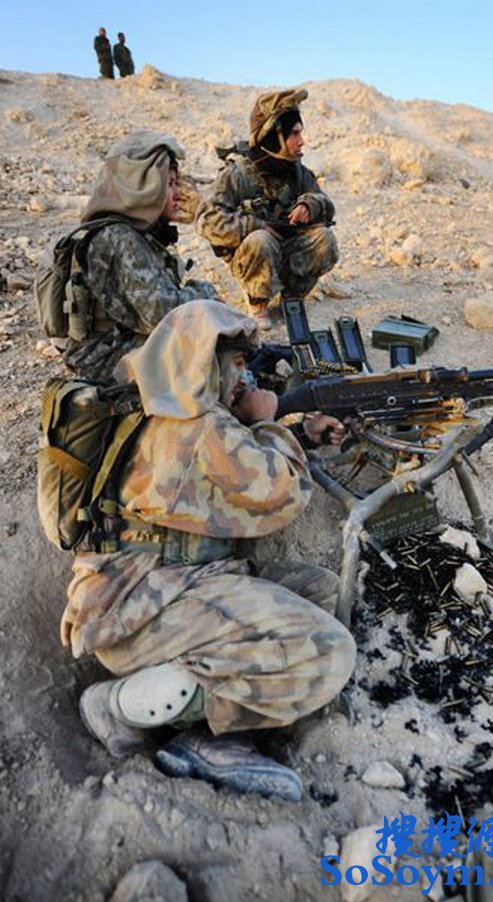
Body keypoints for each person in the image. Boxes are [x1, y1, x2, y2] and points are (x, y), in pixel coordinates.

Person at [62, 299, 355, 801]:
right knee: (330, 650)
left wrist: (298, 432)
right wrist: (269, 421)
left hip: (163, 591)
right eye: (237, 364)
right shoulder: (197, 429)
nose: (245, 378)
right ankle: (128, 710)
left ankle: (208, 720)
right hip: (140, 612)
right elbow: (279, 493)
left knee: (320, 591)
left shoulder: (170, 412)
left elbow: (228, 466)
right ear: (205, 362)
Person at [62, 131, 217, 382]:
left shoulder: (133, 233)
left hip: (122, 343)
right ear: (143, 188)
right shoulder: (118, 238)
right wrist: (206, 294)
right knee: (209, 349)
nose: (178, 193)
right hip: (103, 358)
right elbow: (165, 316)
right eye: (169, 184)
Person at [200, 88, 339, 331]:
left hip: (288, 250)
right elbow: (208, 220)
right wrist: (254, 225)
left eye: (301, 133)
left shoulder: (298, 172)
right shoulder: (238, 174)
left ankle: (292, 297)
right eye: (294, 133)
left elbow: (326, 204)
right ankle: (258, 301)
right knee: (261, 240)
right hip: (254, 255)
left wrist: (310, 205)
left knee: (325, 239)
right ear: (275, 136)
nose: (302, 141)